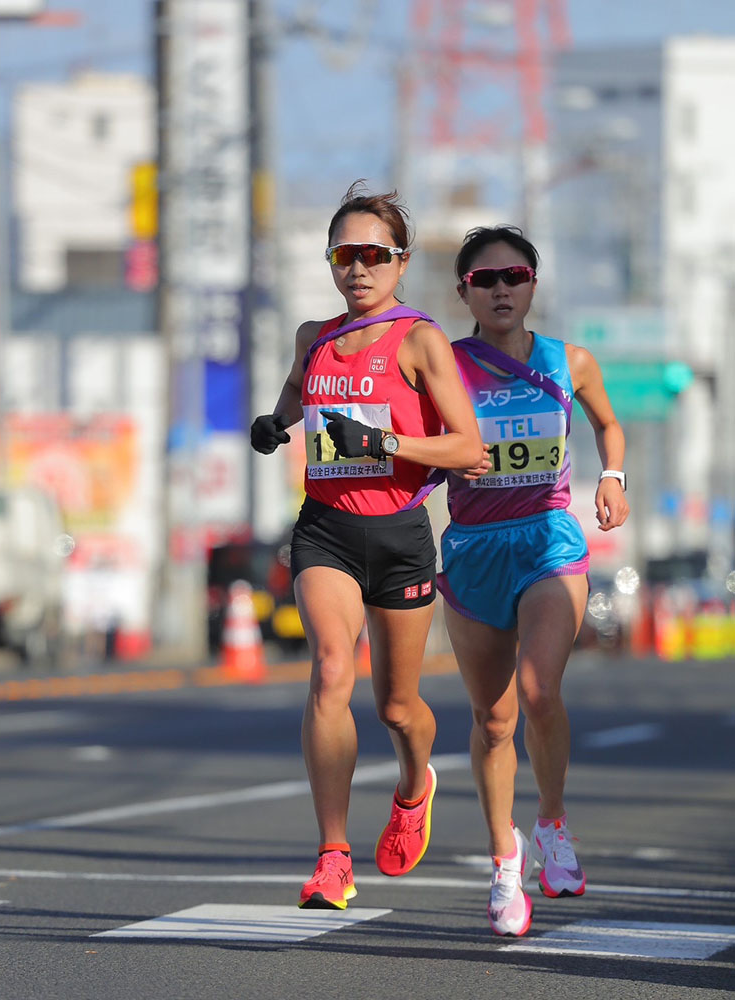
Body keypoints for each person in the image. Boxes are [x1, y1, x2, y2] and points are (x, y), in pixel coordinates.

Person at [250, 181, 482, 910]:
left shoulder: (420, 340)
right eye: (344, 255)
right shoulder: (313, 336)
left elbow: (468, 447)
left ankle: (415, 787)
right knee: (329, 671)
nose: (358, 269)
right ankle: (333, 857)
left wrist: (386, 443)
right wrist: (276, 424)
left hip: (400, 536)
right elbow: (299, 392)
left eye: (374, 255)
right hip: (325, 529)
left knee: (397, 706)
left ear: (401, 262)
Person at [438, 225, 629, 937]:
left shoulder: (568, 361)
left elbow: (608, 424)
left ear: (532, 285)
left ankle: (551, 820)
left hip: (548, 539)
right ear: (463, 291)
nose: (501, 290)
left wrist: (613, 476)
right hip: (473, 550)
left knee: (538, 690)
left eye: (513, 276)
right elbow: (414, 446)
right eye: (484, 280)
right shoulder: (443, 366)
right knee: (493, 720)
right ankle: (503, 858)